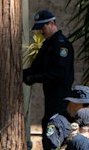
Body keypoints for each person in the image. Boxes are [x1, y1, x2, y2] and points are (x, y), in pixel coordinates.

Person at [22, 9, 74, 138]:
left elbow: (60, 73)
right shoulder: (47, 46)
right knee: (48, 126)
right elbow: (37, 68)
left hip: (60, 96)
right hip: (50, 95)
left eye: (43, 27)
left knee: (55, 128)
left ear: (52, 23)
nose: (41, 31)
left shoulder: (62, 46)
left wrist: (35, 78)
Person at [44, 84, 89, 150]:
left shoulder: (84, 121)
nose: (88, 108)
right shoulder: (57, 122)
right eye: (86, 105)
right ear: (73, 103)